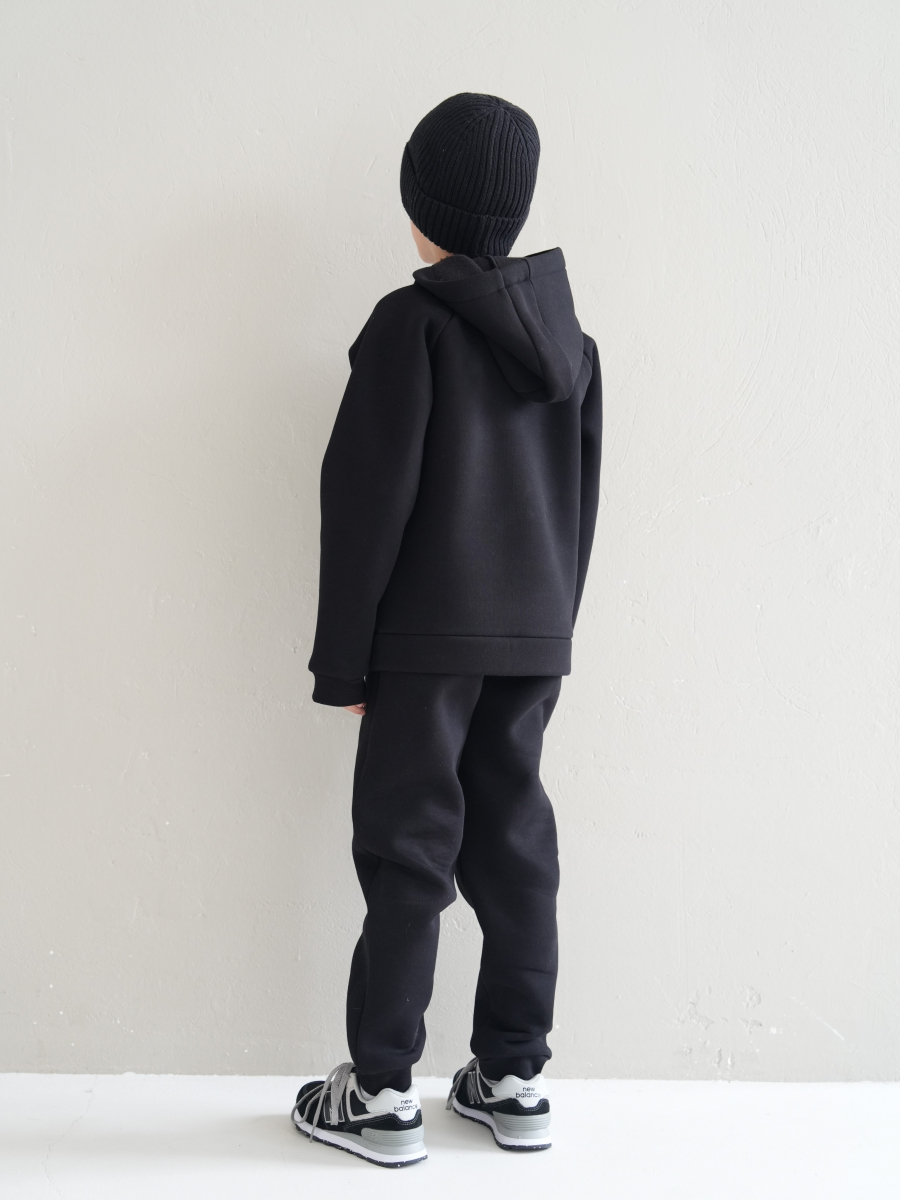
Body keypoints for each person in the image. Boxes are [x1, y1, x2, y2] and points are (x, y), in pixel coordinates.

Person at [291, 92, 603, 1168]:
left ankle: (382, 1093)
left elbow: (363, 504)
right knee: (516, 853)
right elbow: (579, 507)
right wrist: (550, 633)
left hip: (422, 648)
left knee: (409, 852)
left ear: (417, 202)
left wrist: (344, 664)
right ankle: (514, 1076)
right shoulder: (575, 348)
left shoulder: (409, 326)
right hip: (532, 638)